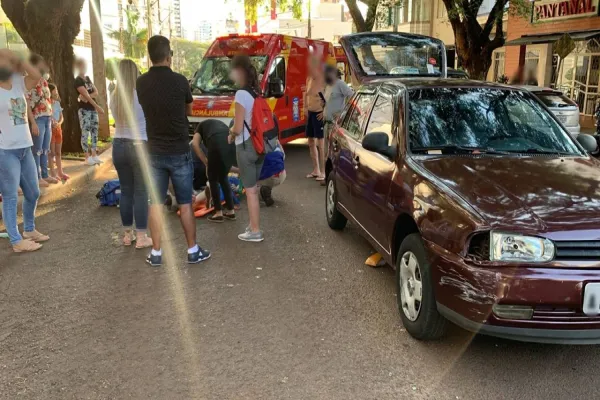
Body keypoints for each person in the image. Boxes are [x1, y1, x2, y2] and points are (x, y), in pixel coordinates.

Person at [137, 35, 210, 266]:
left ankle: (156, 253)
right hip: (179, 150)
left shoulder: (141, 82)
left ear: (150, 56)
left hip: (154, 152)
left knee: (155, 204)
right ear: (168, 56)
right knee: (185, 203)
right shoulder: (180, 81)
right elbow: (189, 109)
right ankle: (192, 250)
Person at [0, 49, 49, 252]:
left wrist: (18, 56)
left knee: (33, 192)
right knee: (10, 196)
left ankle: (29, 229)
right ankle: (16, 241)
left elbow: (37, 75)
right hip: (5, 150)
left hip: (25, 148)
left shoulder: (18, 82)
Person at [111, 59, 153, 249]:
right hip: (139, 144)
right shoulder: (142, 95)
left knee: (126, 190)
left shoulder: (115, 96)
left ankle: (128, 234)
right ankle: (142, 236)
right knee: (141, 191)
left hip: (118, 144)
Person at [228, 54, 265, 242]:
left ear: (239, 71)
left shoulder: (241, 94)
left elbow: (238, 127)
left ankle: (255, 231)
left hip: (246, 147)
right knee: (253, 189)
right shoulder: (256, 92)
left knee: (250, 191)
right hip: (260, 146)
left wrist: (230, 133)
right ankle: (252, 225)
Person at [191, 119, 237, 222]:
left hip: (216, 142)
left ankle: (218, 213)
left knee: (213, 179)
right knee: (223, 178)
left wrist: (206, 162)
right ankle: (231, 211)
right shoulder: (213, 124)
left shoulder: (199, 127)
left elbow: (195, 144)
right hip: (231, 143)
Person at [28, 54, 57, 185]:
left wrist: (52, 116)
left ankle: (45, 174)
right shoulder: (28, 81)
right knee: (37, 150)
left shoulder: (44, 80)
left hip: (47, 117)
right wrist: (33, 122)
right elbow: (27, 103)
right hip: (37, 118)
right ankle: (37, 177)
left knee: (45, 148)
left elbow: (48, 100)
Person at [74, 58, 105, 166]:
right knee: (85, 132)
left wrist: (86, 97)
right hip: (84, 110)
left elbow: (95, 92)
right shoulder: (78, 80)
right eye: (83, 65)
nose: (85, 67)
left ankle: (94, 155)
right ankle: (87, 156)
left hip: (92, 109)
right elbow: (85, 96)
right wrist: (97, 106)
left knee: (94, 131)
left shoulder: (87, 78)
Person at [304, 55, 326, 182]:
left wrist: (325, 112)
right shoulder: (309, 79)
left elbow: (329, 97)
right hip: (311, 113)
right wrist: (305, 107)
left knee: (321, 144)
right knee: (311, 142)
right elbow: (306, 94)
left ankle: (323, 171)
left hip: (319, 113)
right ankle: (316, 169)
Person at [48, 84, 68, 182]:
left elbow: (61, 117)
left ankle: (60, 172)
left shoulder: (57, 103)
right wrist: (52, 123)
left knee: (58, 152)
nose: (56, 92)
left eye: (56, 90)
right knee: (51, 153)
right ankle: (53, 173)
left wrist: (59, 123)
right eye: (54, 90)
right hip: (50, 129)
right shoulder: (47, 103)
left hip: (58, 129)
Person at [258, 140, 286, 207]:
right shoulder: (275, 142)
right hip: (282, 174)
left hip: (268, 177)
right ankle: (267, 190)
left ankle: (262, 191)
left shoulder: (256, 146)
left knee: (252, 181)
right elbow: (283, 157)